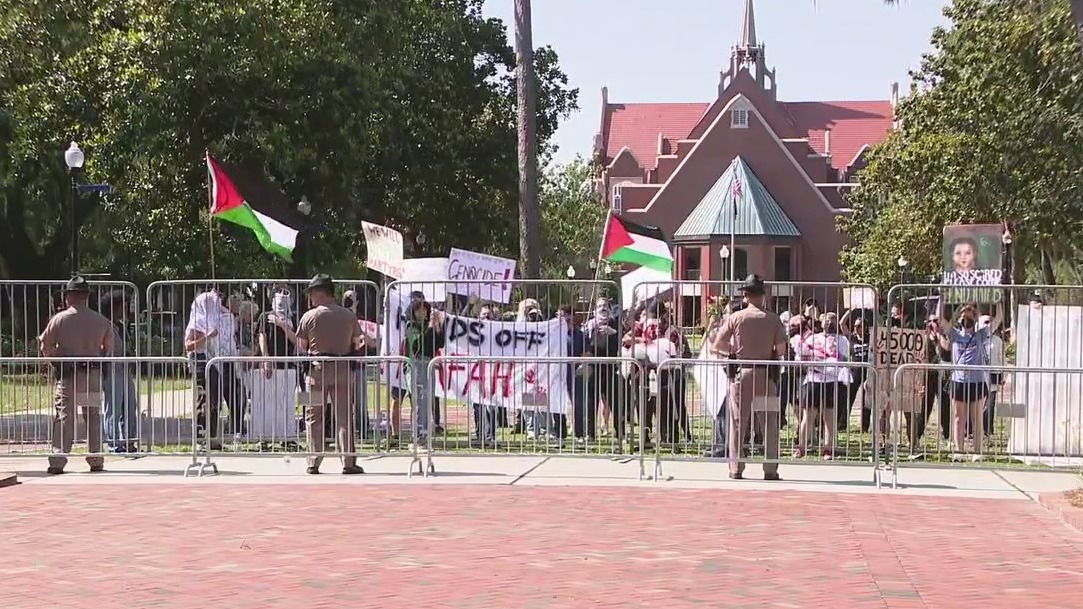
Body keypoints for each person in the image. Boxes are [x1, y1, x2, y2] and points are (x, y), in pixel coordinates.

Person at [710, 274, 787, 481]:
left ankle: (736, 467)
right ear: (762, 296)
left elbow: (716, 345)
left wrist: (733, 353)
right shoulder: (773, 319)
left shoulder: (735, 318)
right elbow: (781, 350)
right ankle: (770, 469)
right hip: (765, 374)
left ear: (745, 295)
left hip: (742, 373)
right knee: (769, 422)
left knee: (737, 422)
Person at [39, 276, 115, 475]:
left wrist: (55, 361)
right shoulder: (101, 320)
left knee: (64, 415)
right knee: (92, 415)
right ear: (86, 297)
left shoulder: (60, 319)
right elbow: (108, 349)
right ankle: (95, 458)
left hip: (68, 374)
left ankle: (58, 459)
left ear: (68, 297)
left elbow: (44, 346)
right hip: (91, 372)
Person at [296, 274, 364, 475]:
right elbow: (359, 341)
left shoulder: (309, 316)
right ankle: (348, 461)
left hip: (316, 372)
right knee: (344, 415)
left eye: (311, 293)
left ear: (318, 293)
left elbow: (301, 345)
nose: (310, 297)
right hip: (343, 368)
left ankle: (313, 461)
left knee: (313, 414)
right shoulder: (348, 316)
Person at [936, 303, 1002, 460]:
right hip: (959, 381)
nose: (967, 318)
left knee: (977, 418)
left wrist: (998, 299)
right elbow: (940, 319)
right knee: (959, 417)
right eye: (964, 316)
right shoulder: (954, 334)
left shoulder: (981, 334)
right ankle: (959, 450)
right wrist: (941, 298)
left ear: (976, 318)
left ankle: (977, 451)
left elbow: (998, 319)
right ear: (959, 318)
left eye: (971, 316)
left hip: (977, 382)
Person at [184, 289, 248, 447]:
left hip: (219, 362)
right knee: (206, 400)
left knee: (219, 400)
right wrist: (208, 337)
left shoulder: (219, 318)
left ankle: (214, 438)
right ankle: (202, 439)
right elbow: (188, 345)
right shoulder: (197, 321)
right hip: (202, 362)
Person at [793, 312, 851, 459]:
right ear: (821, 323)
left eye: (832, 320)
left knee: (829, 416)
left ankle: (828, 448)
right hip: (814, 380)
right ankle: (801, 446)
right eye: (826, 320)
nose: (829, 323)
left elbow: (841, 359)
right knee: (808, 416)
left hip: (831, 381)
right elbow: (802, 356)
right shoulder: (813, 338)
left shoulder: (842, 340)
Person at [251, 286, 301, 445]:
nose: (282, 296)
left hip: (287, 364)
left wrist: (283, 325)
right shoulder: (265, 316)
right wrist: (266, 359)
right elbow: (262, 337)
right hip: (267, 365)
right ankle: (263, 438)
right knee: (264, 401)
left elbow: (297, 342)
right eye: (278, 292)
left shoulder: (294, 318)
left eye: (286, 293)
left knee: (285, 402)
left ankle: (286, 437)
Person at [584, 297, 629, 450]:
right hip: (594, 367)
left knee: (616, 402)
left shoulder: (616, 324)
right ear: (595, 309)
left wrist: (614, 332)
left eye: (605, 305)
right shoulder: (589, 325)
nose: (602, 308)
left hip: (611, 368)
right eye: (599, 306)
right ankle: (590, 434)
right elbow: (583, 344)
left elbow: (625, 342)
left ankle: (620, 433)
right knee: (591, 402)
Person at [403, 293, 446, 447]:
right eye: (419, 310)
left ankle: (425, 435)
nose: (423, 313)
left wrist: (439, 325)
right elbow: (418, 345)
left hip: (428, 365)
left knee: (428, 402)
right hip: (416, 366)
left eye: (425, 310)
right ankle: (418, 436)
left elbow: (439, 343)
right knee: (419, 402)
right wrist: (429, 328)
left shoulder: (430, 325)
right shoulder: (411, 327)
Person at [99, 290, 138, 453]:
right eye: (123, 305)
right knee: (113, 406)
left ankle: (129, 440)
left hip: (124, 368)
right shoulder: (104, 325)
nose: (126, 308)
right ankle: (114, 442)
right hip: (112, 368)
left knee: (129, 404)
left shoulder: (122, 326)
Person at [343, 289, 379, 442]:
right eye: (347, 299)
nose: (350, 301)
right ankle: (343, 431)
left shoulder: (363, 321)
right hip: (343, 363)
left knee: (360, 400)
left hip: (359, 364)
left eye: (352, 298)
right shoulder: (340, 318)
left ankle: (363, 429)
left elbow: (374, 342)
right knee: (342, 400)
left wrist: (362, 333)